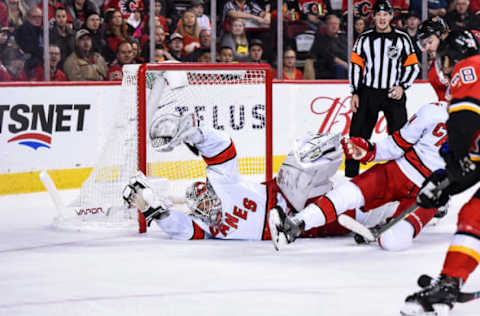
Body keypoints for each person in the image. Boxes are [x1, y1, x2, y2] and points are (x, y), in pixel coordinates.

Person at [122, 94, 347, 240]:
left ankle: (349, 151)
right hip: (289, 225)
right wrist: (152, 209)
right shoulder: (206, 226)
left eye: (206, 199)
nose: (208, 207)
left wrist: (196, 134)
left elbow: (223, 146)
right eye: (202, 207)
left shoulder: (222, 182)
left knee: (300, 161)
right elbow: (182, 229)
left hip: (283, 195)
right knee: (345, 214)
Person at [268, 97, 449, 252]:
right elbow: (397, 144)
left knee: (393, 242)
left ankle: (384, 226)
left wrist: (445, 194)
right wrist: (371, 151)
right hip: (399, 171)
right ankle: (294, 226)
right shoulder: (433, 111)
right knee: (348, 192)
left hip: (432, 193)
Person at [400, 28, 480, 316]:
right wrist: (449, 184)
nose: (444, 66)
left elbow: (464, 119)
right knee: (474, 215)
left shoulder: (469, 67)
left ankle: (449, 283)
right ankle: (449, 282)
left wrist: (451, 170)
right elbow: (473, 163)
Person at [347, 0, 420, 178]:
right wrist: (355, 91)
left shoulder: (402, 38)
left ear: (391, 16)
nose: (382, 18)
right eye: (378, 14)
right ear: (373, 16)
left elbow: (413, 66)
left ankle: (402, 176)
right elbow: (356, 65)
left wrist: (402, 86)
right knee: (357, 135)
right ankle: (351, 177)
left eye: (385, 14)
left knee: (399, 138)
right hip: (368, 93)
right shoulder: (364, 38)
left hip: (392, 94)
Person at [417, 16, 450, 101]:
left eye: (430, 42)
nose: (427, 47)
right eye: (424, 44)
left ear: (443, 36)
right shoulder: (433, 72)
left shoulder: (467, 47)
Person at [309, 13, 348, 79]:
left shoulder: (343, 38)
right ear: (326, 25)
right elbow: (330, 56)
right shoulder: (320, 38)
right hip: (328, 69)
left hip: (345, 65)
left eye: (336, 24)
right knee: (340, 67)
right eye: (331, 24)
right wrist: (346, 65)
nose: (334, 26)